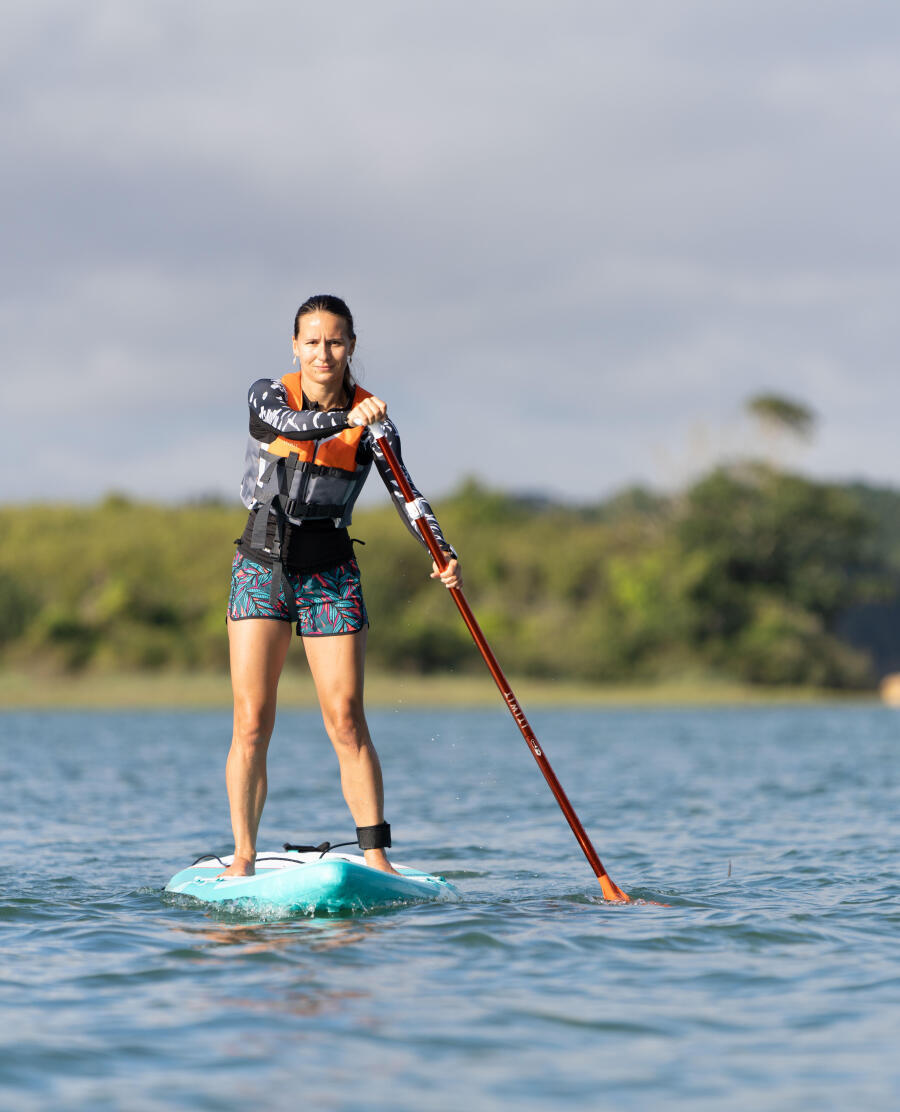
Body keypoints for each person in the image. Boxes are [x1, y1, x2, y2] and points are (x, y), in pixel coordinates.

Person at [222, 294, 461, 877]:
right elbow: (289, 426)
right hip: (262, 564)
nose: (322, 353)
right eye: (311, 341)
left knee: (347, 718)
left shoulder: (375, 422)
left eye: (334, 341)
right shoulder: (268, 395)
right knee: (252, 719)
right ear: (295, 346)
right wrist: (348, 418)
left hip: (329, 570)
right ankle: (244, 858)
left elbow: (408, 494)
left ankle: (377, 857)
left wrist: (440, 548)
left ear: (351, 346)